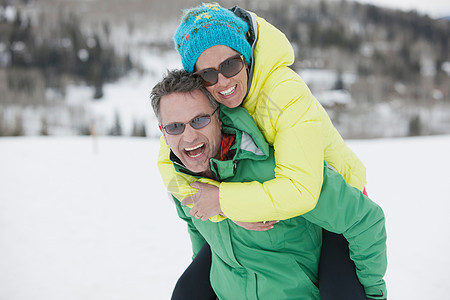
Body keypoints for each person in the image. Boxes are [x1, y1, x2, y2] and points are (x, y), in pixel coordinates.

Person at [150, 69, 387, 300]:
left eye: (199, 120)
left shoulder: (279, 169)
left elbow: (365, 220)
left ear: (219, 118)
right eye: (175, 127)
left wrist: (373, 293)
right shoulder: (181, 177)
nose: (189, 137)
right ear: (163, 132)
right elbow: (197, 229)